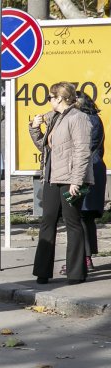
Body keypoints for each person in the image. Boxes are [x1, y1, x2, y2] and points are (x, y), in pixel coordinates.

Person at [29, 82, 93, 285]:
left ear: (60, 98)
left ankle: (76, 273)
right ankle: (43, 271)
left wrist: (77, 181)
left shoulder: (78, 118)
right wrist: (34, 128)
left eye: (50, 97)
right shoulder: (55, 118)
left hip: (70, 179)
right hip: (51, 177)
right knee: (47, 221)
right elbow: (45, 146)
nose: (48, 101)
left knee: (72, 222)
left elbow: (82, 151)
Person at [76, 92, 105, 272]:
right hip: (91, 169)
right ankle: (87, 256)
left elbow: (85, 146)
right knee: (84, 217)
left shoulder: (90, 121)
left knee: (82, 215)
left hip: (88, 171)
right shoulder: (91, 119)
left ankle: (85, 259)